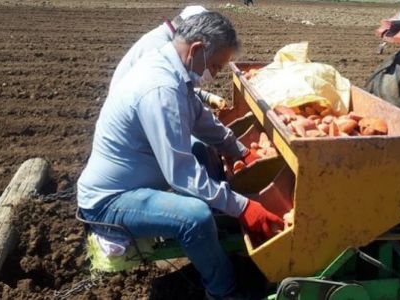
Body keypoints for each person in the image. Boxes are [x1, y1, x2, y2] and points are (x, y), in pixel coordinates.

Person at [77, 12, 283, 300]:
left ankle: (217, 228)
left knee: (200, 148)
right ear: (197, 49)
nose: (214, 72)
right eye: (214, 65)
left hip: (135, 183)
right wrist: (243, 207)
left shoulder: (173, 70)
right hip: (109, 202)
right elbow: (181, 173)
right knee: (194, 218)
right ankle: (224, 291)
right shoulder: (160, 88)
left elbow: (202, 121)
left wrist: (241, 151)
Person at [110, 5, 226, 110]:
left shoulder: (167, 41)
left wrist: (206, 96)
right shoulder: (158, 48)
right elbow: (166, 97)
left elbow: (178, 88)